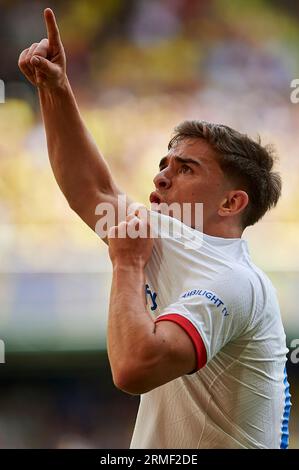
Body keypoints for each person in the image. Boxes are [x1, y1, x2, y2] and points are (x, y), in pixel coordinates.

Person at [18, 8, 291, 449]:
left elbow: (134, 368)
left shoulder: (236, 282)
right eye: (163, 164)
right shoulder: (169, 240)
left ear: (231, 202)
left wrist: (127, 263)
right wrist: (56, 88)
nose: (160, 177)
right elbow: (96, 190)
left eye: (185, 169)